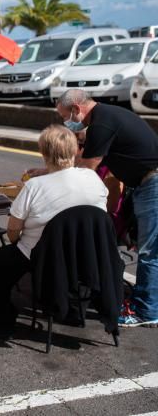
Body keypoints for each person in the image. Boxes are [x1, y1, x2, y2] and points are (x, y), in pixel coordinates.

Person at [0, 125, 109, 338]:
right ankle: (72, 309)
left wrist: (18, 241)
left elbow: (13, 230)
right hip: (85, 254)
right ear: (75, 150)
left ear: (44, 153)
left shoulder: (34, 186)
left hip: (43, 256)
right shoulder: (92, 178)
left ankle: (3, 322)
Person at [56, 89, 158, 327]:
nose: (65, 122)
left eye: (65, 116)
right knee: (150, 249)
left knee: (149, 251)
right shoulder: (106, 117)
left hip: (152, 184)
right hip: (145, 183)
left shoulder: (102, 124)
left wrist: (52, 181)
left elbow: (83, 170)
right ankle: (149, 299)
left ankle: (146, 310)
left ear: (76, 109)